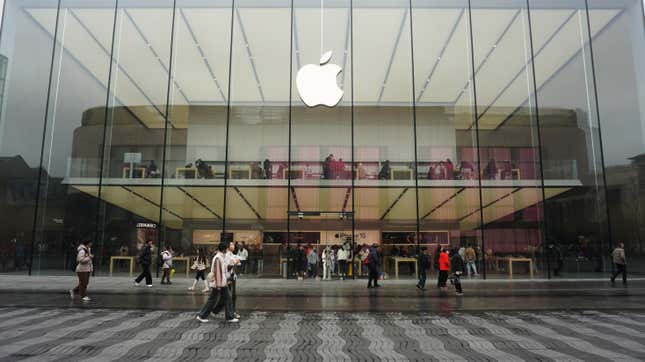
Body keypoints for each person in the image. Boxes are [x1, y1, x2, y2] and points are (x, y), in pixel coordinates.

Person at [196, 241, 238, 323]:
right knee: (213, 300)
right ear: (223, 249)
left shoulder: (220, 257)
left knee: (225, 298)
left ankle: (229, 317)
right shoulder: (218, 258)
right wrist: (219, 284)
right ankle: (202, 315)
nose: (227, 250)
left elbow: (223, 269)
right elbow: (218, 272)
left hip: (221, 282)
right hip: (219, 283)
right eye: (226, 248)